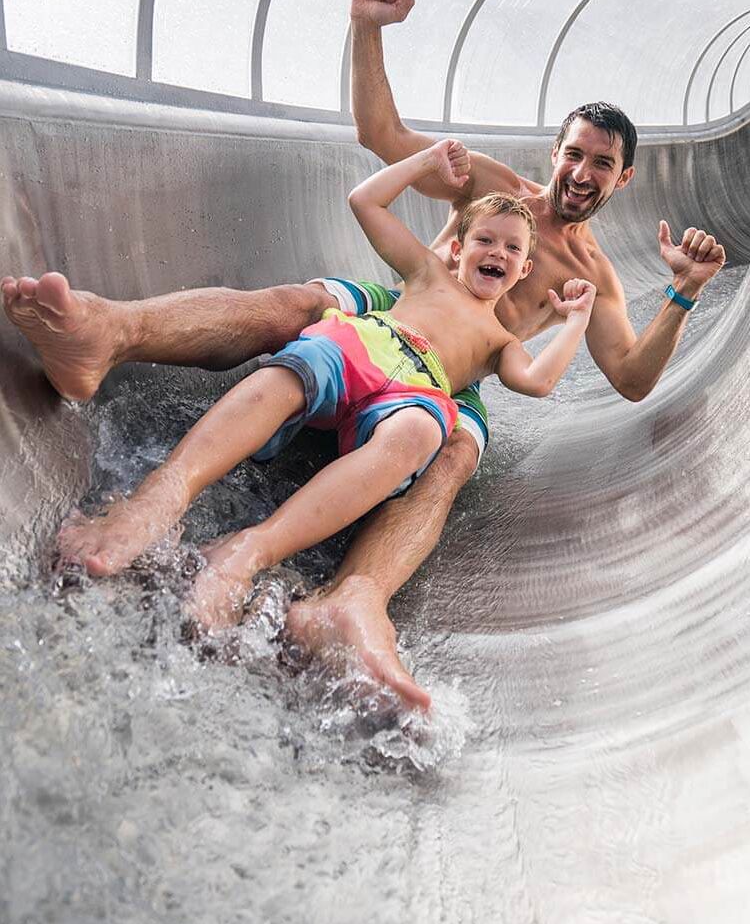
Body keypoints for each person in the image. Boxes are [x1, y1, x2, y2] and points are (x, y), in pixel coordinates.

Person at [1, 0, 726, 709]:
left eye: (601, 163)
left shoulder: (595, 275)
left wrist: (682, 292)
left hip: (458, 372)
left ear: (625, 179)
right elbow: (380, 136)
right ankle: (110, 332)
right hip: (398, 303)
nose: (582, 171)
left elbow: (633, 376)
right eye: (574, 152)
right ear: (556, 152)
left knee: (451, 454)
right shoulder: (490, 186)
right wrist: (368, 27)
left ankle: (353, 599)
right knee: (298, 304)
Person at [53, 137, 596, 634]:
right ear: (457, 247)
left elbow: (539, 381)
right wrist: (422, 164)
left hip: (419, 389)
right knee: (300, 367)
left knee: (417, 438)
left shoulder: (501, 340)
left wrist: (574, 321)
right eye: (484, 240)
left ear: (525, 271)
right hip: (369, 341)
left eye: (511, 250)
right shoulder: (428, 273)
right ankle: (162, 497)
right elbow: (366, 202)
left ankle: (249, 551)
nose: (497, 253)